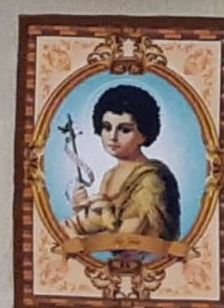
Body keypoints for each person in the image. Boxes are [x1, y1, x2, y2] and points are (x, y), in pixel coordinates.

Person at [62, 84, 181, 244]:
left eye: (124, 130)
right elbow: (103, 224)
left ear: (144, 134)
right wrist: (82, 208)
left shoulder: (151, 180)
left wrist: (80, 239)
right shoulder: (109, 175)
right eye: (107, 127)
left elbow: (128, 236)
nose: (112, 137)